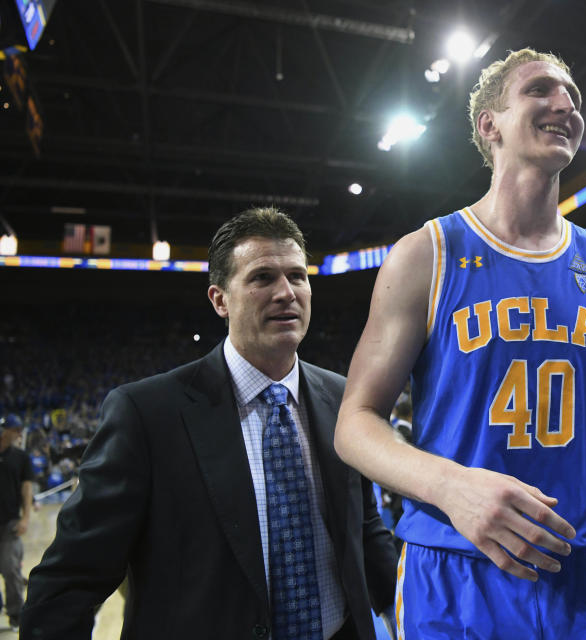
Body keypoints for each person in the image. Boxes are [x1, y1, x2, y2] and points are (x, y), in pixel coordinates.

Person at [334, 48, 586, 639]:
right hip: (460, 567)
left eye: (574, 98)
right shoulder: (427, 254)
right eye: (540, 91)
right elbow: (354, 422)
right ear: (490, 124)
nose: (565, 105)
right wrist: (449, 486)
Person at [22, 207, 398, 639]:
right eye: (262, 278)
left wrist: (403, 613)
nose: (286, 292)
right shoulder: (146, 413)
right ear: (220, 299)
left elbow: (365, 528)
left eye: (297, 276)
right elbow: (71, 580)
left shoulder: (344, 397)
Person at [0, 415, 32, 629]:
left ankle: (16, 615)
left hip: (10, 522)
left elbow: (27, 488)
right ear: (5, 431)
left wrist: (26, 517)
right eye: (16, 429)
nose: (20, 433)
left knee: (11, 569)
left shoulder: (21, 457)